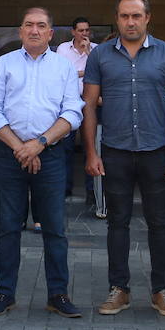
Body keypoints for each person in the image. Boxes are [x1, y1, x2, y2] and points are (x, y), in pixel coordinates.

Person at [83, 0, 165, 318]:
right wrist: (90, 151)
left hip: (157, 150)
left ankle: (161, 290)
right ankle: (119, 289)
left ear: (147, 18)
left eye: (136, 16)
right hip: (114, 149)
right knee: (117, 222)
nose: (131, 22)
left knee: (159, 222)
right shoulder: (100, 55)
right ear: (117, 19)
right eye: (125, 16)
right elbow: (88, 106)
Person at [0, 7, 84, 318]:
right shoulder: (3, 65)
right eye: (29, 25)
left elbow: (72, 113)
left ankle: (58, 294)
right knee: (8, 228)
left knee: (54, 229)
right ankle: (4, 292)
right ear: (21, 31)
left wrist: (38, 145)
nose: (35, 30)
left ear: (51, 33)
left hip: (50, 155)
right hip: (11, 156)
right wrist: (21, 149)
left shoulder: (64, 68)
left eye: (41, 26)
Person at [56, 16, 97, 205]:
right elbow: (62, 73)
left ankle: (91, 191)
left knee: (91, 146)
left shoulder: (95, 50)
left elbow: (99, 72)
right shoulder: (64, 49)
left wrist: (88, 53)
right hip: (68, 103)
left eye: (87, 30)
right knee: (66, 147)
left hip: (90, 103)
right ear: (73, 32)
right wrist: (83, 72)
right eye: (81, 30)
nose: (84, 34)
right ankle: (65, 187)